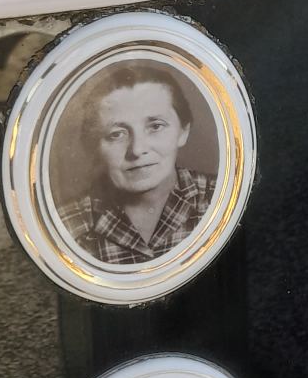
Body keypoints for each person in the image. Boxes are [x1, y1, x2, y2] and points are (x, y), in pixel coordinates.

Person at [58, 61, 213, 265]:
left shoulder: (220, 199)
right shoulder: (66, 228)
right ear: (95, 146)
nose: (137, 150)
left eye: (155, 126)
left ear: (183, 131)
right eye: (116, 134)